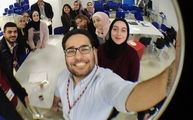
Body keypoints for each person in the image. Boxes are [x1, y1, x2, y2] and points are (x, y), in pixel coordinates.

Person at [50, 28, 179, 120]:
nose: (78, 57)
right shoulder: (62, 75)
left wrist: (176, 70)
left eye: (85, 49)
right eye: (71, 51)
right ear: (65, 56)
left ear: (94, 52)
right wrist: (54, 105)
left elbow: (130, 96)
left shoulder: (105, 80)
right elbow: (57, 92)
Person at [97, 18, 140, 119]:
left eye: (123, 30)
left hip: (119, 95)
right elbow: (99, 70)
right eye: (115, 29)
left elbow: (133, 82)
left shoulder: (132, 54)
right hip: (102, 93)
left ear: (127, 33)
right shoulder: (101, 49)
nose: (118, 34)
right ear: (110, 30)